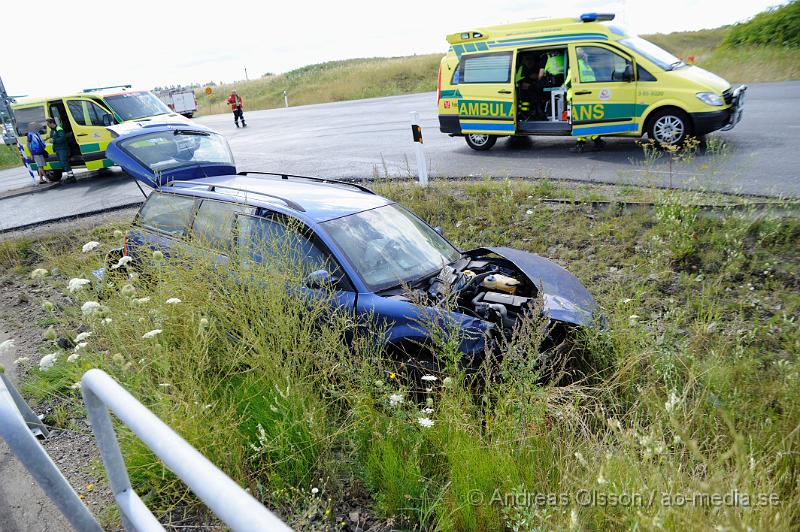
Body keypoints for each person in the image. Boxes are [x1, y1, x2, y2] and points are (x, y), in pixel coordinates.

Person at [565, 49, 605, 153]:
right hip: (588, 96)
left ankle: (582, 144)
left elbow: (568, 83)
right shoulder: (587, 66)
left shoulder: (575, 66)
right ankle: (596, 141)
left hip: (576, 97)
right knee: (587, 121)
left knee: (579, 122)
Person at [46, 118, 75, 182]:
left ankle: (71, 177)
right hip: (57, 149)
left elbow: (63, 138)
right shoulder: (52, 130)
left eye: (48, 124)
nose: (47, 125)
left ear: (52, 123)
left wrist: (54, 140)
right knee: (62, 163)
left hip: (62, 148)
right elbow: (53, 137)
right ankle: (69, 175)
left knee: (64, 162)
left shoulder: (59, 129)